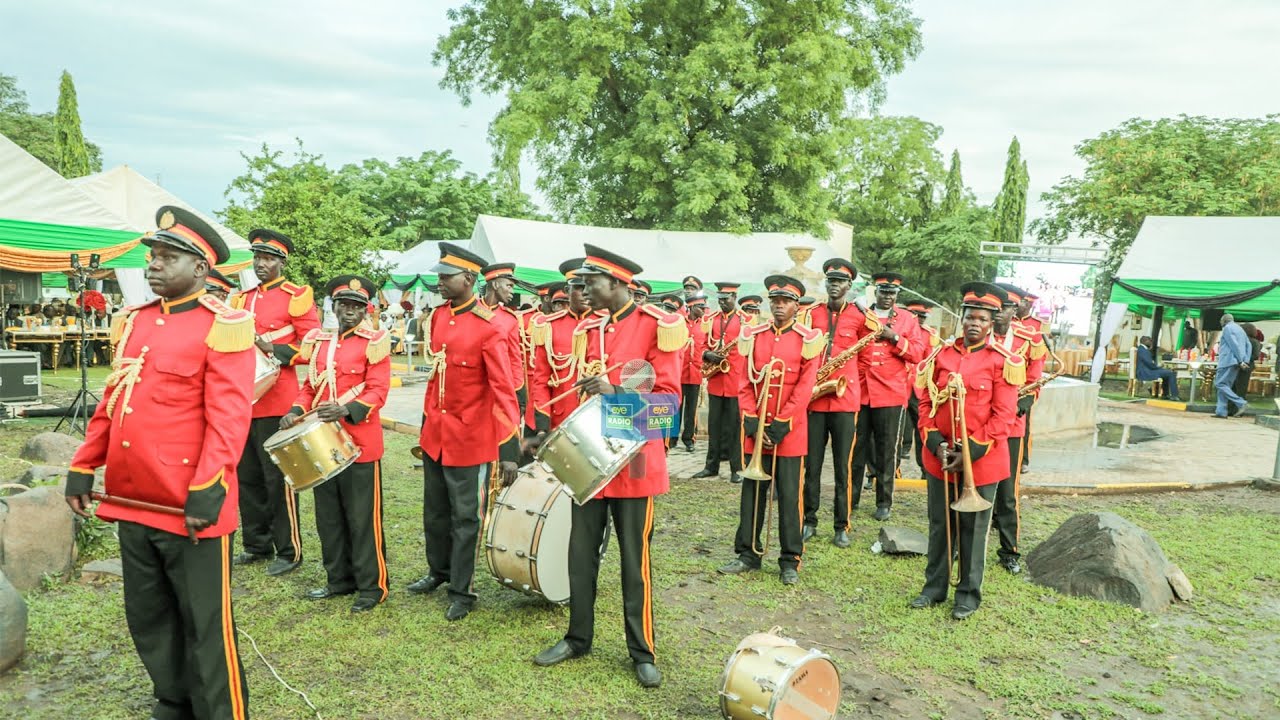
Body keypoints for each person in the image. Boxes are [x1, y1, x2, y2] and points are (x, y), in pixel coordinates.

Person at [65, 205, 253, 720]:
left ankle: (221, 712)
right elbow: (112, 399)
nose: (153, 265)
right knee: (148, 615)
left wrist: (209, 489)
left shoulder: (225, 326)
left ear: (200, 268)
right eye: (153, 256)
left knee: (203, 623)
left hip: (187, 503)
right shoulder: (136, 322)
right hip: (131, 499)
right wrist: (84, 465)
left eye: (168, 257)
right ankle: (173, 700)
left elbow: (230, 420)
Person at [531, 244, 686, 689]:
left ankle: (642, 650)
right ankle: (578, 638)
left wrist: (614, 391)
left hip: (636, 465)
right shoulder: (590, 329)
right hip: (591, 462)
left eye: (590, 283)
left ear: (617, 283)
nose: (582, 290)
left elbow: (667, 411)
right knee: (580, 556)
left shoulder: (660, 327)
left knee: (634, 563)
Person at [408, 243, 521, 621]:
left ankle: (463, 589)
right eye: (439, 275)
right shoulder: (439, 317)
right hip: (437, 437)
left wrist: (509, 449)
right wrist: (426, 429)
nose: (439, 282)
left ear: (469, 279)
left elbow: (504, 390)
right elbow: (434, 381)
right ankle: (437, 573)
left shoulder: (489, 327)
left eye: (446, 276)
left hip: (472, 439)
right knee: (435, 513)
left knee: (466, 519)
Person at [282, 275, 392, 614]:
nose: (350, 310)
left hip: (359, 442)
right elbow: (309, 388)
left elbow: (378, 390)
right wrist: (295, 410)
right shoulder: (318, 342)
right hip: (320, 442)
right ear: (333, 305)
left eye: (357, 306)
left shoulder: (374, 342)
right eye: (344, 304)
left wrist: (346, 408)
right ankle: (338, 579)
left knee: (362, 518)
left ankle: (372, 587)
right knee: (328, 516)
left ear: (366, 309)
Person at [910, 282, 1019, 621]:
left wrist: (969, 451)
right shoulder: (940, 355)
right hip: (941, 456)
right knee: (940, 525)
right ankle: (934, 588)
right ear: (962, 318)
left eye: (982, 319)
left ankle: (968, 594)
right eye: (970, 317)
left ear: (992, 323)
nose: (974, 323)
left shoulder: (1004, 361)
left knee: (973, 530)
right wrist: (934, 441)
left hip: (981, 460)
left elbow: (1004, 417)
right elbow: (925, 400)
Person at [718, 275, 822, 583]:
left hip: (789, 431)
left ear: (796, 305)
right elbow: (743, 381)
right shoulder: (754, 335)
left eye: (786, 301)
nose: (779, 306)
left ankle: (790, 559)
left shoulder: (808, 338)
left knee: (790, 497)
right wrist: (751, 421)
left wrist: (780, 424)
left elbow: (805, 388)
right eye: (775, 301)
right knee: (752, 495)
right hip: (756, 429)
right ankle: (748, 553)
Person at [230, 229, 321, 576]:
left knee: (278, 478)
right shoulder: (241, 298)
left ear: (281, 262)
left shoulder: (295, 296)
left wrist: (277, 350)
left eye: (268, 258)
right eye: (257, 257)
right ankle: (256, 544)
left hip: (279, 399)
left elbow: (311, 346)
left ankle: (289, 549)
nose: (260, 264)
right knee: (247, 475)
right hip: (244, 400)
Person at [803, 258, 873, 546]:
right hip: (816, 399)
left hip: (845, 401)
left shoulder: (860, 316)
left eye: (841, 282)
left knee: (843, 466)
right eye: (831, 281)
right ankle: (809, 519)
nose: (835, 286)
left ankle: (841, 525)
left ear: (849, 286)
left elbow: (866, 357)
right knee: (813, 464)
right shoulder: (811, 314)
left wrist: (847, 379)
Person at [850, 272, 925, 521]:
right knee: (856, 449)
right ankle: (852, 497)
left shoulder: (906, 319)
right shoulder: (860, 315)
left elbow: (917, 353)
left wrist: (893, 336)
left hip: (891, 393)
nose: (887, 297)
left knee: (886, 451)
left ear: (897, 295)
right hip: (860, 391)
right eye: (883, 292)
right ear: (876, 292)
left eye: (892, 293)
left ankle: (884, 501)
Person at [990, 284, 1046, 575]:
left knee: (1008, 493)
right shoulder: (976, 338)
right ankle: (963, 544)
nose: (1000, 314)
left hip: (1011, 426)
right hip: (979, 424)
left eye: (1006, 308)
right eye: (996, 308)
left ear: (1015, 311)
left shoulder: (1029, 339)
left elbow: (1035, 380)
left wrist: (1021, 403)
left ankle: (1008, 550)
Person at [692, 282, 748, 483]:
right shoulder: (711, 319)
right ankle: (711, 466)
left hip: (736, 381)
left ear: (735, 297)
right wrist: (708, 354)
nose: (722, 303)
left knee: (734, 427)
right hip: (716, 379)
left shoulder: (745, 320)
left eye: (726, 299)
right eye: (720, 300)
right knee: (714, 426)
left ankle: (737, 469)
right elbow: (701, 343)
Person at [528, 272, 592, 440]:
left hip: (596, 421)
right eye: (579, 287)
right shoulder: (549, 327)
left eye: (589, 286)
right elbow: (541, 380)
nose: (585, 292)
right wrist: (542, 426)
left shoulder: (605, 324)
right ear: (567, 290)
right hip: (560, 420)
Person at [480, 263, 529, 421]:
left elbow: (514, 358)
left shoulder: (510, 318)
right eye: (508, 285)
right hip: (475, 388)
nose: (512, 291)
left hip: (501, 390)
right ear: (494, 284)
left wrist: (519, 394)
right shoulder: (471, 311)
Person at [898, 298, 941, 470]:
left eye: (923, 316)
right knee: (897, 429)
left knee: (922, 429)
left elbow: (930, 361)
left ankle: (925, 468)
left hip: (918, 386)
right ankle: (893, 469)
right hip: (899, 383)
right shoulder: (900, 328)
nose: (919, 319)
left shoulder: (929, 334)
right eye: (916, 315)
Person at [1012, 291, 1047, 474]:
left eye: (1024, 303)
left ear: (1030, 305)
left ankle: (1023, 459)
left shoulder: (1037, 325)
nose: (1019, 306)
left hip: (1024, 382)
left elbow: (1040, 354)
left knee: (1023, 424)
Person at [679, 294, 709, 453]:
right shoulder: (679, 322)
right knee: (676, 407)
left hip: (695, 372)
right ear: (690, 307)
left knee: (691, 410)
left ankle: (689, 439)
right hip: (679, 372)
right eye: (700, 308)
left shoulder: (704, 326)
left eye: (704, 307)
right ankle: (670, 440)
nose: (703, 310)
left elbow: (706, 346)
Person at [1213, 313, 1250, 418]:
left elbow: (1234, 344)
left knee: (1219, 384)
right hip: (1237, 362)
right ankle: (1221, 411)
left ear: (1223, 321)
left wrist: (1239, 360)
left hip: (1227, 361)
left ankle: (1241, 402)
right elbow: (1248, 345)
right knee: (1225, 386)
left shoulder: (1227, 328)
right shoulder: (1240, 329)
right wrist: (1245, 360)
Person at [1136, 336, 1180, 401]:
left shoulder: (1141, 349)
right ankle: (1174, 395)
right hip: (1146, 372)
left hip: (1147, 370)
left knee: (1167, 372)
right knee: (1171, 373)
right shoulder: (1143, 350)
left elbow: (1149, 363)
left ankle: (1165, 394)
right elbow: (1150, 364)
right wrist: (1159, 367)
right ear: (1145, 341)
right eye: (1150, 341)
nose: (1151, 343)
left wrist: (1159, 368)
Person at [1233, 322, 1262, 399]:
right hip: (1247, 365)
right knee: (1242, 385)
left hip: (1235, 364)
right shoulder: (1255, 342)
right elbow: (1256, 356)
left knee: (1234, 384)